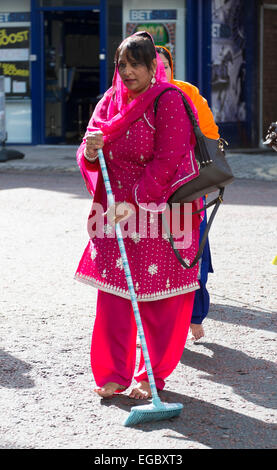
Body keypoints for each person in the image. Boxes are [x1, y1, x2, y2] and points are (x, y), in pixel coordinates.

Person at [75, 31, 204, 399]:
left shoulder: (169, 100)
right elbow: (88, 148)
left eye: (136, 64)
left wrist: (135, 200)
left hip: (161, 212)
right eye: (122, 65)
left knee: (159, 300)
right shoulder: (110, 102)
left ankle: (150, 375)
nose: (128, 71)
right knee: (115, 296)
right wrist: (91, 150)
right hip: (114, 212)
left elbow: (170, 158)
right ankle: (113, 372)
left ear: (153, 67)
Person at [155, 45, 219, 341]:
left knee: (193, 253)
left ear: (172, 68)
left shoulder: (187, 93)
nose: (159, 72)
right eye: (152, 66)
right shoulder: (133, 99)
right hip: (149, 195)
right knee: (153, 257)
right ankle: (160, 324)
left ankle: (194, 315)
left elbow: (211, 137)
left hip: (187, 188)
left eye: (164, 66)